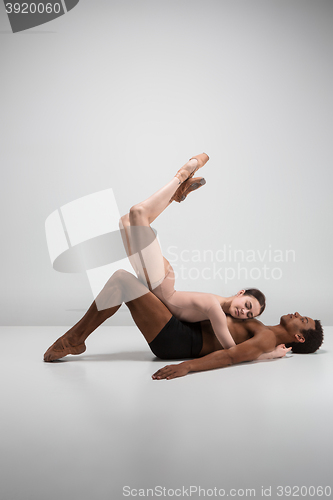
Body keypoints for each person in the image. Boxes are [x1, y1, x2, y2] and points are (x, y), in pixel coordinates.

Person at [118, 152, 266, 351]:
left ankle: (176, 194)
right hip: (160, 282)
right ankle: (182, 175)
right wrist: (266, 354)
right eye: (247, 305)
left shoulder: (218, 312)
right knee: (138, 213)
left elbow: (231, 348)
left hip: (157, 283)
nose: (243, 312)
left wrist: (268, 353)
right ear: (241, 293)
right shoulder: (216, 308)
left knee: (126, 221)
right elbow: (233, 351)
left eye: (249, 315)